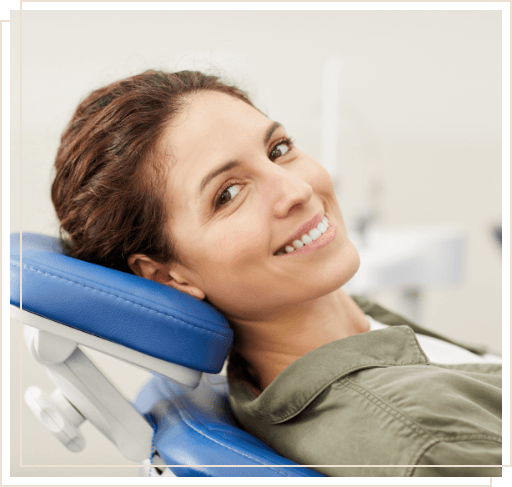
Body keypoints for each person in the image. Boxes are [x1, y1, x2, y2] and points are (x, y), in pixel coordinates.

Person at [51, 70, 502, 477]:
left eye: (278, 150)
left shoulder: (345, 326)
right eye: (227, 194)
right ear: (168, 277)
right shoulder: (426, 442)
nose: (298, 189)